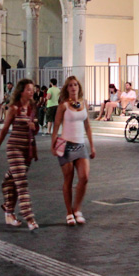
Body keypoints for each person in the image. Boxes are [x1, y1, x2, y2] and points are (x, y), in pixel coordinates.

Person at [0, 79, 40, 231]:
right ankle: (29, 217)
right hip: (14, 148)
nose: (32, 92)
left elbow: (35, 129)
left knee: (12, 180)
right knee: (21, 181)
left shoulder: (33, 107)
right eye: (29, 89)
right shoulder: (14, 108)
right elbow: (4, 131)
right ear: (21, 91)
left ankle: (8, 211)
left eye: (32, 89)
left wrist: (34, 127)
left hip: (27, 150)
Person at [52, 76, 95, 226]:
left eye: (75, 85)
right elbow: (56, 125)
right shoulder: (63, 106)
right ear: (67, 88)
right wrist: (53, 144)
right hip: (66, 146)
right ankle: (69, 212)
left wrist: (92, 145)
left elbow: (88, 126)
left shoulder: (83, 104)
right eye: (70, 85)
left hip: (81, 146)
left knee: (84, 177)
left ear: (79, 87)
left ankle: (77, 209)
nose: (73, 87)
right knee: (68, 180)